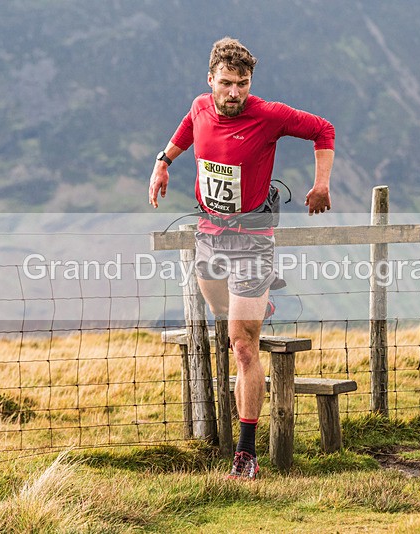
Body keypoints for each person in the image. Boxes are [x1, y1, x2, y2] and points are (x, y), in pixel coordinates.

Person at [148, 37, 335, 479]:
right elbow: (186, 131)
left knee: (242, 344)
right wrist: (163, 163)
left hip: (252, 240)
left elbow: (323, 129)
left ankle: (246, 453)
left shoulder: (268, 115)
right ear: (210, 80)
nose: (235, 93)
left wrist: (321, 183)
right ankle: (262, 302)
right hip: (208, 235)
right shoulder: (199, 106)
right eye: (227, 84)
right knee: (219, 310)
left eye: (243, 84)